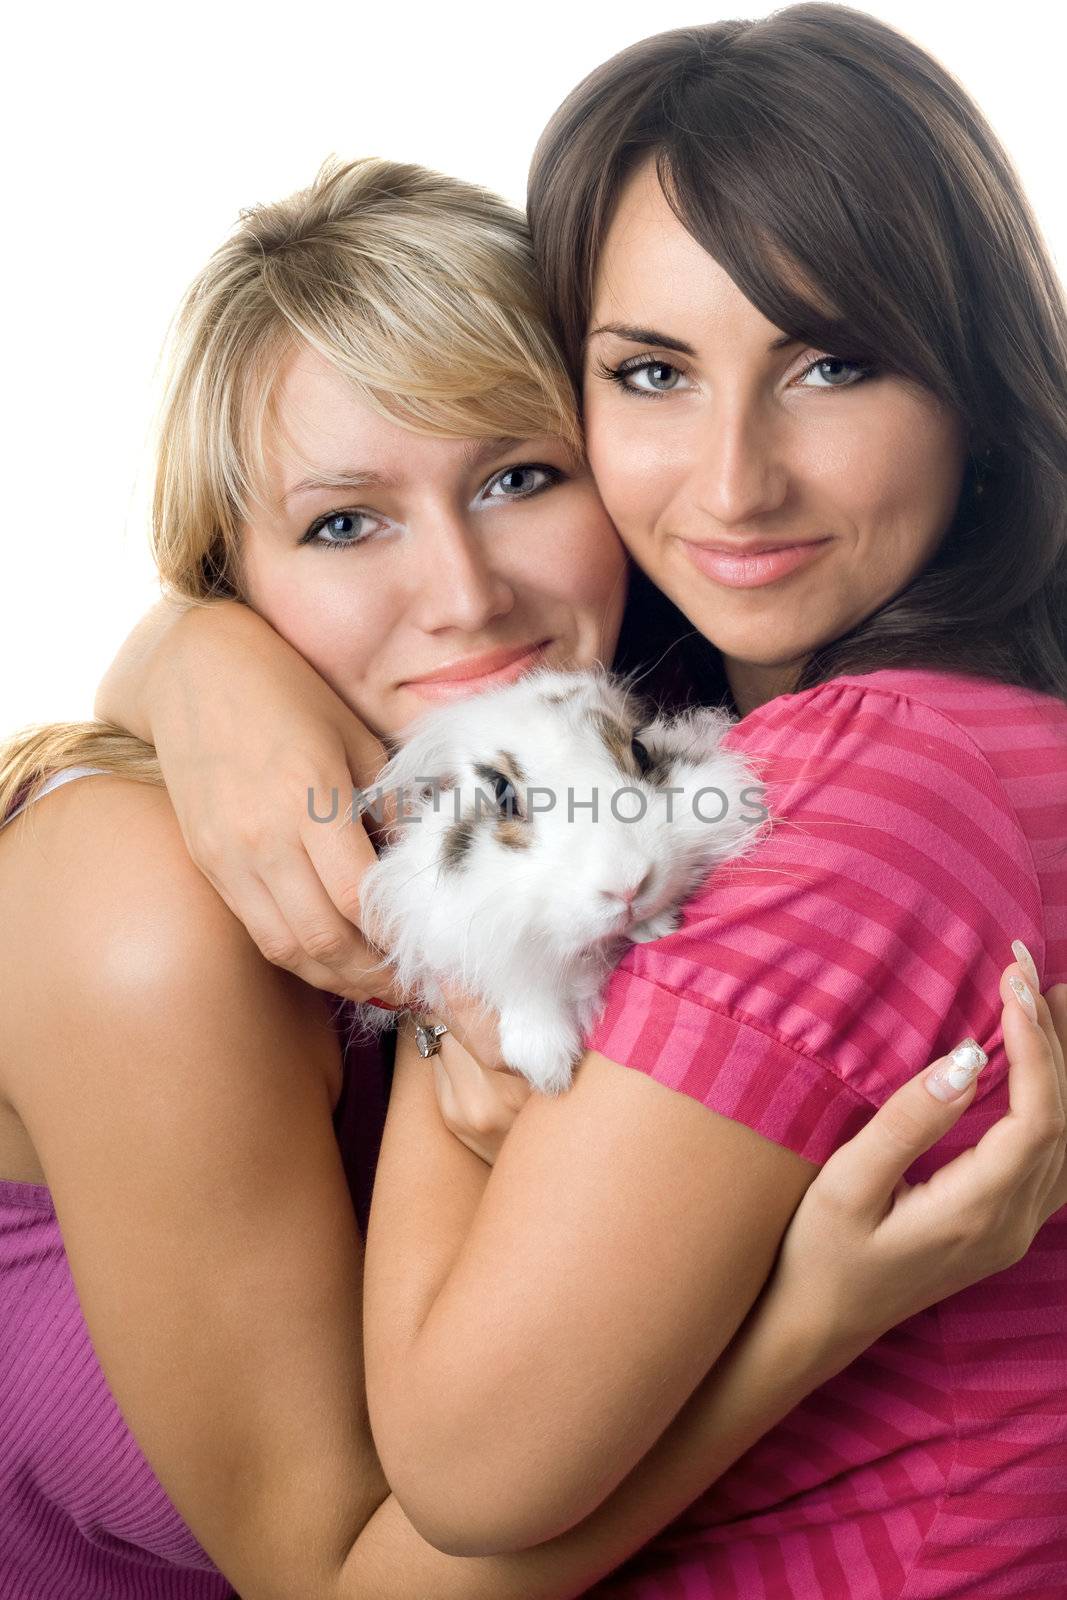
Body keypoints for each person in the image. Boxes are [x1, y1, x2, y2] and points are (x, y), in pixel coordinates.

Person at [93, 8, 1067, 1597]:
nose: (465, 594)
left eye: (518, 477)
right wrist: (182, 659)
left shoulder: (780, 777)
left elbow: (465, 1479)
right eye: (655, 373)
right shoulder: (135, 886)